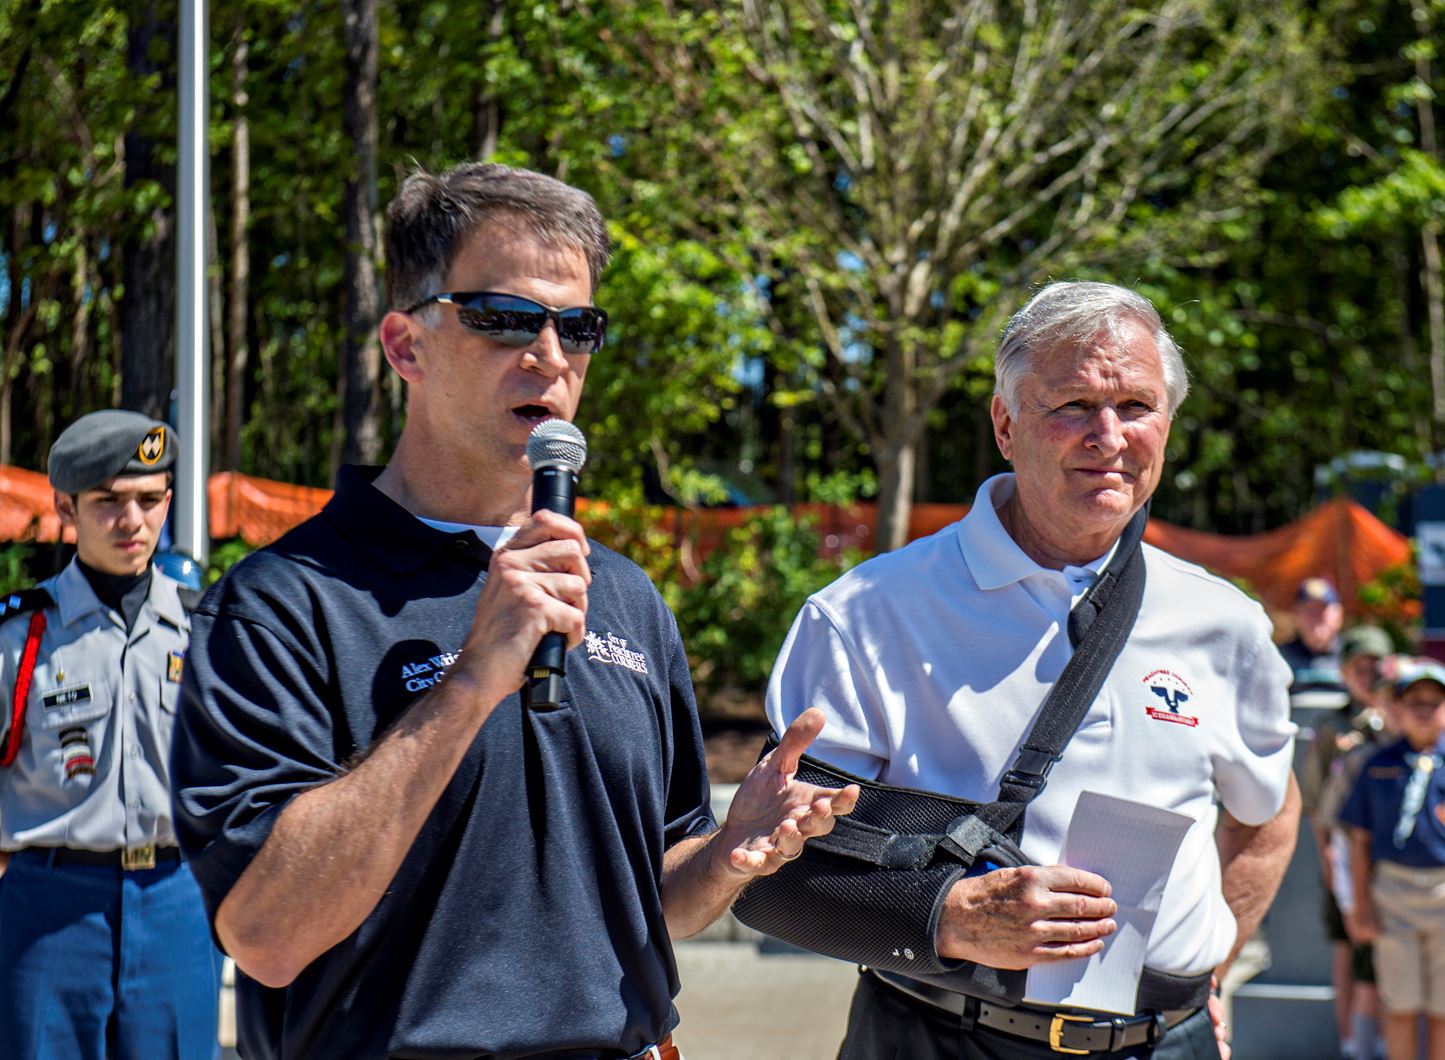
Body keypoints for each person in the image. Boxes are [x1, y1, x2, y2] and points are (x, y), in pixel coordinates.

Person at [168, 163, 858, 1060]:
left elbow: (652, 895)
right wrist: (469, 684)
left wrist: (732, 850)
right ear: (404, 346)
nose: (548, 353)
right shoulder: (280, 605)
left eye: (577, 326)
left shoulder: (623, 594)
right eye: (502, 318)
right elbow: (265, 937)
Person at [764, 280, 1301, 1059]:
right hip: (940, 1036)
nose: (1108, 436)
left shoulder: (1225, 622)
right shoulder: (867, 613)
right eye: (1073, 406)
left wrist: (1207, 973)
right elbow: (771, 874)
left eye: (1136, 407)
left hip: (1166, 1041)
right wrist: (950, 913)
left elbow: (1267, 812)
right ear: (1005, 424)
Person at [0, 410, 220, 1059]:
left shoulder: (205, 629)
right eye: (109, 502)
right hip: (49, 910)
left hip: (179, 901)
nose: (133, 521)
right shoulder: (20, 638)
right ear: (66, 507)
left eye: (150, 500)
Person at [1340, 660, 1445, 1060]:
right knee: (1399, 1003)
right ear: (1397, 707)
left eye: (1435, 702)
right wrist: (1361, 906)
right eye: (1414, 701)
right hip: (1393, 893)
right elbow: (1358, 841)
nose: (1424, 710)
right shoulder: (1378, 765)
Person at [1299, 624, 1392, 1060]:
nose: (1369, 673)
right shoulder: (1332, 728)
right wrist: (1327, 859)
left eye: (1377, 664)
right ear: (1345, 670)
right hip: (1344, 852)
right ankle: (1351, 1042)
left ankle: (1389, 1039)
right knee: (1348, 945)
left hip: (1392, 856)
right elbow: (1318, 804)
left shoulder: (1398, 717)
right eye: (1360, 665)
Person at [1280, 578, 1348, 710]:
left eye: (1321, 610)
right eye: (1308, 610)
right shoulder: (1280, 657)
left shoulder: (1353, 655)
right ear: (1296, 615)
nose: (1315, 617)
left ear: (1339, 614)